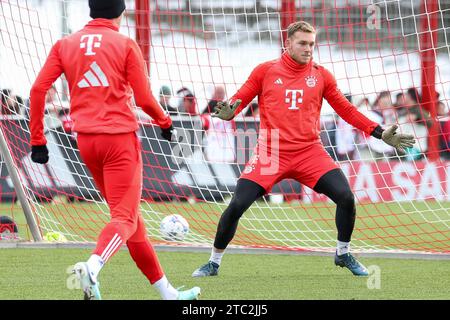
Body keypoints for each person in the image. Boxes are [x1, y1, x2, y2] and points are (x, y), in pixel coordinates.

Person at [192, 21, 415, 278]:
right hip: (271, 151)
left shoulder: (321, 75)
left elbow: (347, 110)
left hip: (310, 151)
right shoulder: (264, 71)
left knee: (346, 197)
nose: (308, 49)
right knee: (237, 205)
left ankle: (343, 253)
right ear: (288, 43)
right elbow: (237, 102)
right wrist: (230, 112)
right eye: (302, 43)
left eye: (311, 44)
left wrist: (379, 132)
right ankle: (213, 262)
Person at [29, 0, 200, 300]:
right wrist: (165, 122)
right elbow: (145, 98)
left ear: (91, 10)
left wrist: (37, 139)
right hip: (119, 140)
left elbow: (37, 90)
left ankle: (168, 292)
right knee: (124, 217)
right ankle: (92, 267)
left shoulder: (65, 44)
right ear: (121, 12)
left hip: (86, 141)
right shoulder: (125, 44)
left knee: (133, 222)